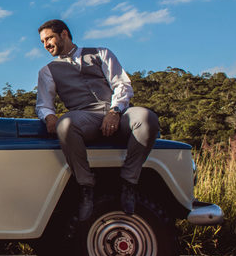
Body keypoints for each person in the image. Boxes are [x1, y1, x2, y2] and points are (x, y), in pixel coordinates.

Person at [35, 19, 159, 221]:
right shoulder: (47, 71)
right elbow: (44, 104)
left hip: (117, 112)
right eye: (42, 42)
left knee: (146, 117)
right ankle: (86, 186)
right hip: (84, 117)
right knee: (65, 124)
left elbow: (122, 85)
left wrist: (115, 111)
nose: (46, 45)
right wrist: (49, 117)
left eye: (49, 38)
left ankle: (129, 181)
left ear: (64, 34)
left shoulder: (102, 53)